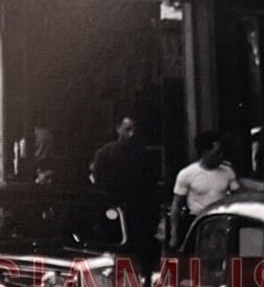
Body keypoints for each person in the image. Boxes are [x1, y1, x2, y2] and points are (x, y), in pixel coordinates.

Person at [90, 115, 159, 276]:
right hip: (113, 210)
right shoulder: (105, 154)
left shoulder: (145, 155)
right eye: (128, 129)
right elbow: (100, 182)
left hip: (140, 211)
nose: (132, 134)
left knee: (141, 252)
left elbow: (151, 183)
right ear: (118, 128)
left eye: (134, 130)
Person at [169, 130, 241, 248]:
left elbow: (238, 196)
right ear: (205, 152)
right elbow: (176, 205)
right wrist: (174, 234)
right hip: (197, 223)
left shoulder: (227, 172)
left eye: (222, 152)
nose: (221, 156)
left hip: (222, 223)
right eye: (217, 152)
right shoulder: (187, 173)